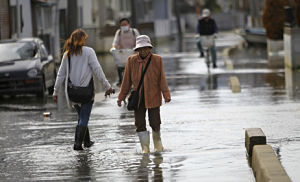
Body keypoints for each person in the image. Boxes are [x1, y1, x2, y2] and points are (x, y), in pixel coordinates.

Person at [52, 29, 114, 150]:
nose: (86, 40)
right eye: (84, 38)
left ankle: (87, 142)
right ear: (81, 39)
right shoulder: (89, 52)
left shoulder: (67, 54)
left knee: (81, 116)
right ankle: (77, 144)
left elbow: (61, 75)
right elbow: (98, 70)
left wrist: (55, 91)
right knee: (84, 118)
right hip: (86, 92)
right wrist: (107, 87)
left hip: (73, 93)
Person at [117, 35, 171, 154]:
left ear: (149, 48)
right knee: (140, 123)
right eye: (141, 49)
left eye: (145, 48)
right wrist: (121, 97)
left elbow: (162, 79)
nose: (143, 51)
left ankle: (158, 146)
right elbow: (126, 81)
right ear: (137, 50)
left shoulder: (157, 60)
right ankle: (145, 148)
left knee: (155, 122)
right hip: (138, 98)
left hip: (153, 97)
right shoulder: (131, 61)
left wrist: (166, 94)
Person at [111, 18, 140, 85]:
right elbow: (115, 43)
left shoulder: (134, 31)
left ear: (129, 25)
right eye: (122, 25)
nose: (124, 26)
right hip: (122, 55)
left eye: (125, 24)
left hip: (133, 53)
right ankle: (121, 80)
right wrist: (113, 48)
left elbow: (139, 41)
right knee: (119, 66)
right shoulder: (119, 32)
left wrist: (137, 48)